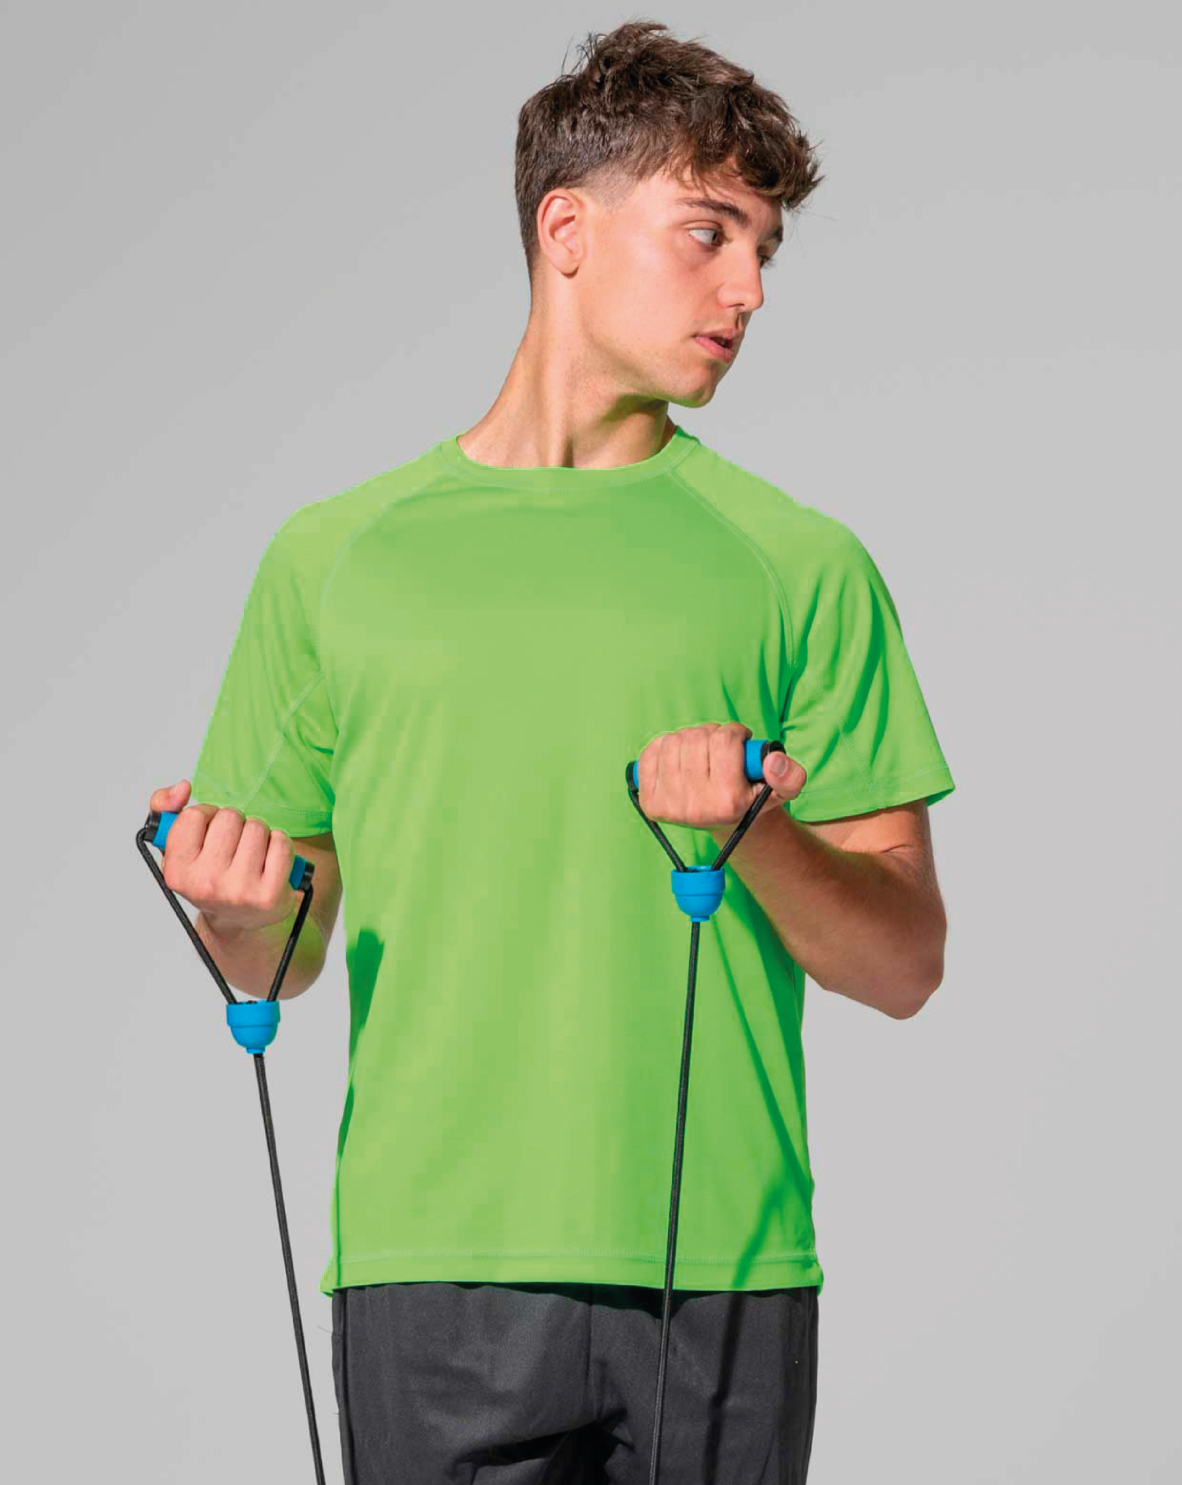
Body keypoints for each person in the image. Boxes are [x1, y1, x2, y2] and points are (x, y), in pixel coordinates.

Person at [149, 19, 955, 1483]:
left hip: (721, 1261)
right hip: (428, 1265)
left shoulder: (801, 565)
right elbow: (279, 953)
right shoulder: (334, 560)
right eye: (708, 233)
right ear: (565, 230)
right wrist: (237, 911)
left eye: (764, 249)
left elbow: (902, 962)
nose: (748, 289)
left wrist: (759, 837)